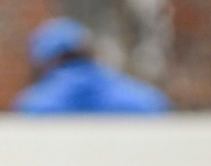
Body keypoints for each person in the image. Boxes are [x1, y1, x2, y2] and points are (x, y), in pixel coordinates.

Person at [13, 18, 170, 114]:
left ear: (47, 60)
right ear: (89, 52)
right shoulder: (143, 98)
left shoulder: (34, 103)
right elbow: (157, 106)